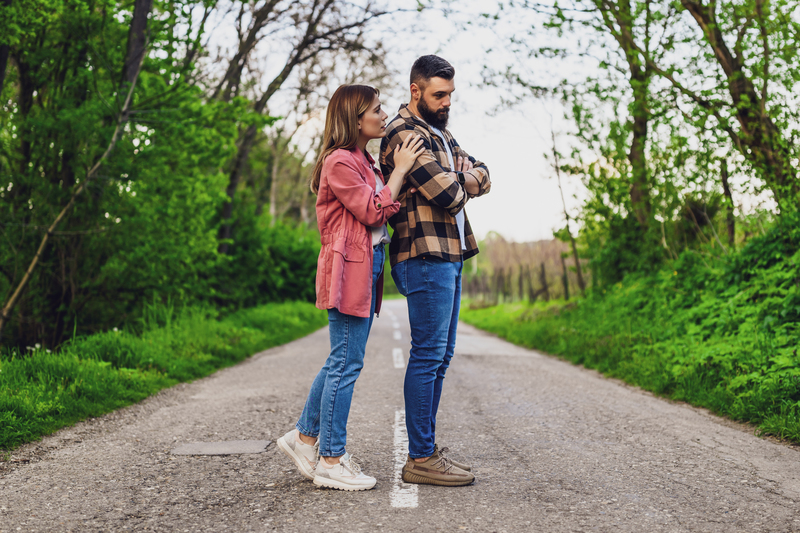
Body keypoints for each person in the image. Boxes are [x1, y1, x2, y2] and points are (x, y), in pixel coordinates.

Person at [276, 84, 423, 491]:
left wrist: (394, 180)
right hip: (348, 268)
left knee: (342, 358)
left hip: (365, 265)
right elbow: (374, 208)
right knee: (346, 362)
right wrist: (400, 171)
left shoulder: (364, 160)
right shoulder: (339, 161)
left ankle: (304, 437)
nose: (383, 115)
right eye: (376, 109)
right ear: (356, 119)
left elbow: (384, 207)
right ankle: (330, 459)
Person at [379, 55, 491, 487]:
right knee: (428, 356)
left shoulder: (439, 133)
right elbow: (448, 192)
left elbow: (484, 171)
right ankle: (420, 457)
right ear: (415, 90)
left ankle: (424, 450)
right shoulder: (403, 133)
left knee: (440, 357)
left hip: (451, 254)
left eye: (450, 95)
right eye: (438, 95)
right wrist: (461, 179)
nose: (446, 103)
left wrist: (463, 175)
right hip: (424, 254)